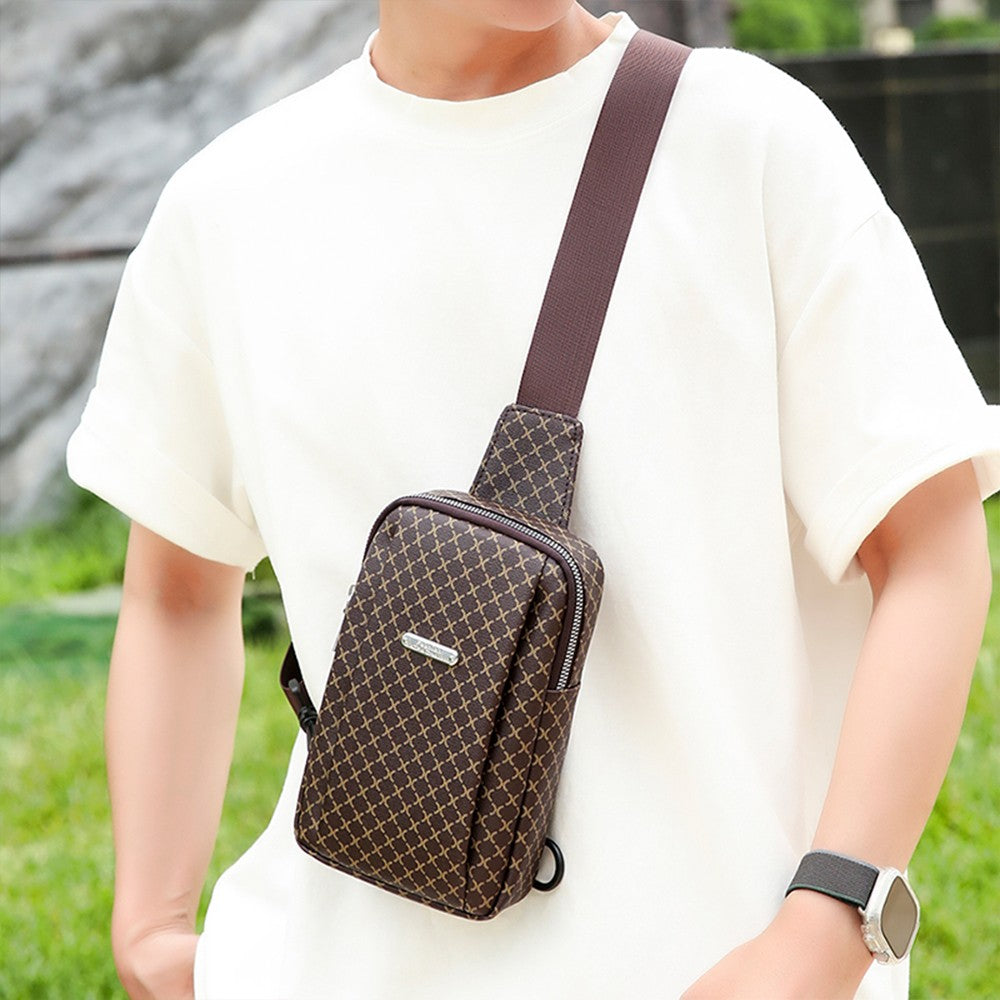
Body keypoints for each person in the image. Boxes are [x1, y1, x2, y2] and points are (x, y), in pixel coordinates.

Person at [65, 3, 999, 998]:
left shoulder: (748, 143)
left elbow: (930, 548)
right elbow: (175, 589)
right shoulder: (230, 208)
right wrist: (150, 925)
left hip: (719, 965)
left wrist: (825, 927)